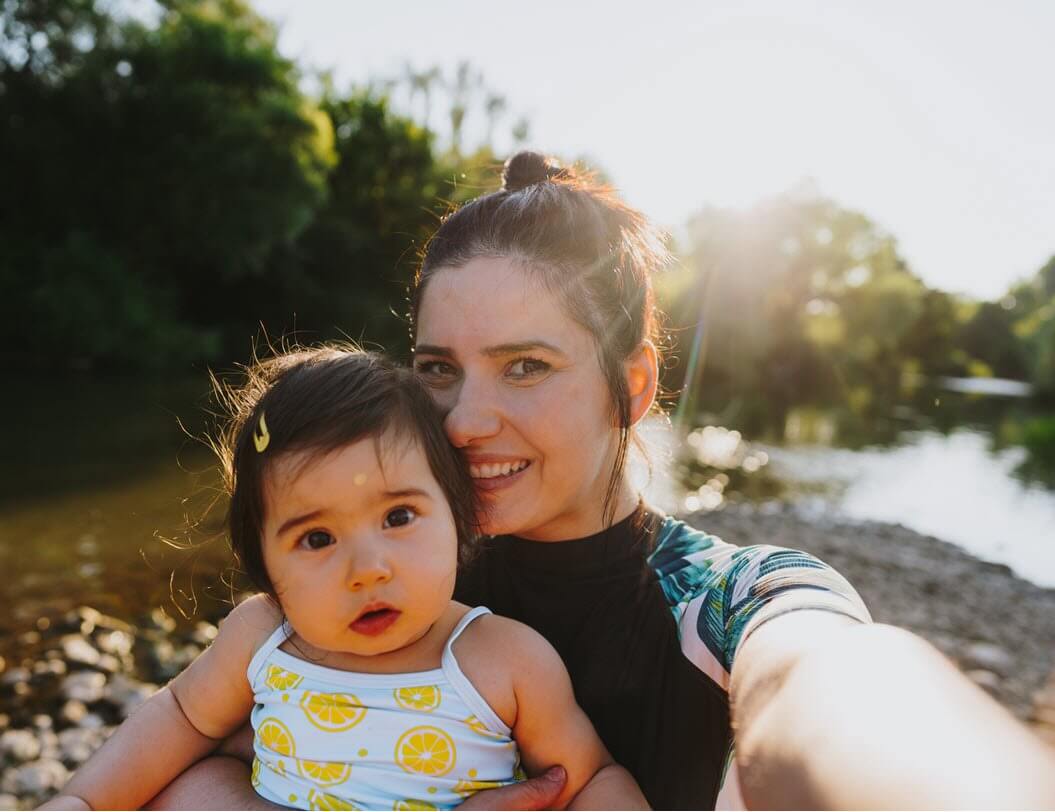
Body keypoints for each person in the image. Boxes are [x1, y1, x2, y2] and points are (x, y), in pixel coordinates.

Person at [145, 152, 1055, 810]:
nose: (462, 421)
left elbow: (834, 688)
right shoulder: (385, 570)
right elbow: (193, 766)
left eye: (527, 367)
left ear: (633, 387)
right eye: (435, 368)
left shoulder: (727, 602)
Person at [40, 347, 647, 811]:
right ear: (265, 569)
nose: (368, 570)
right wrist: (83, 800)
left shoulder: (504, 659)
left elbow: (588, 778)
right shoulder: (263, 637)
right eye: (316, 539)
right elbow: (179, 716)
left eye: (399, 517)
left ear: (460, 516)